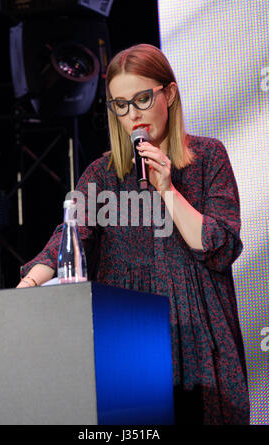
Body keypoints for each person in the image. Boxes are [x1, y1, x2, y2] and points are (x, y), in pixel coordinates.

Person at [17, 44, 250, 425]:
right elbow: (72, 235)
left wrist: (168, 190)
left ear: (169, 94)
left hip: (197, 333)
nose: (133, 114)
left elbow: (218, 244)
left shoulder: (209, 158)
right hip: (128, 336)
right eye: (120, 105)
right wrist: (28, 286)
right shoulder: (101, 174)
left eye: (142, 99)